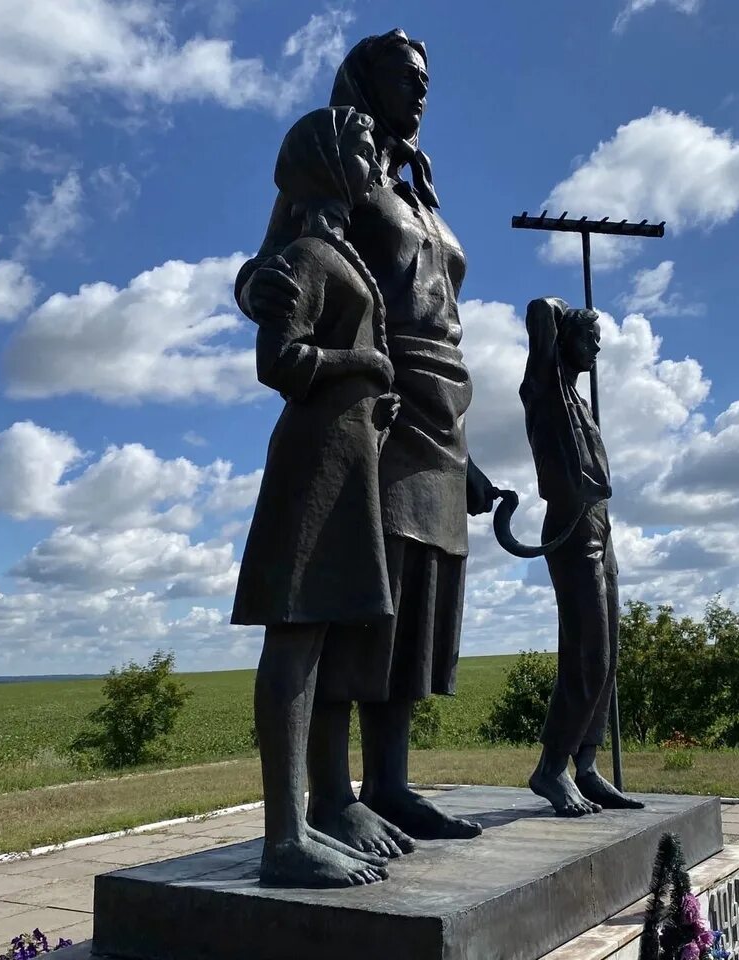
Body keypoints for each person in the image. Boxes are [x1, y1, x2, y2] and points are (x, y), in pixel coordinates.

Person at [234, 29, 497, 857]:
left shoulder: (419, 191)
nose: (420, 92)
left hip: (443, 407)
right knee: (355, 602)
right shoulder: (340, 170)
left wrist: (474, 457)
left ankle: (390, 783)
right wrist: (264, 297)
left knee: (417, 602)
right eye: (404, 77)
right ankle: (334, 795)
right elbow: (274, 265)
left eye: (428, 80)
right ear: (364, 80)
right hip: (374, 401)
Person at [231, 107, 398, 887]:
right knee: (294, 636)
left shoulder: (340, 251)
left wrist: (377, 393)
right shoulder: (303, 252)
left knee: (321, 635)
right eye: (363, 148)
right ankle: (284, 838)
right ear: (327, 158)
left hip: (347, 462)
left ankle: (304, 825)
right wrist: (360, 361)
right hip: (313, 463)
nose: (376, 160)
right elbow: (281, 361)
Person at [517, 298, 643, 817]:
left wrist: (579, 326)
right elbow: (540, 309)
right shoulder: (544, 388)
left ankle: (586, 767)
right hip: (571, 526)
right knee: (587, 650)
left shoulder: (577, 400)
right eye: (589, 338)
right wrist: (569, 315)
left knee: (608, 654)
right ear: (565, 338)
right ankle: (551, 769)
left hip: (601, 526)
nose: (597, 348)